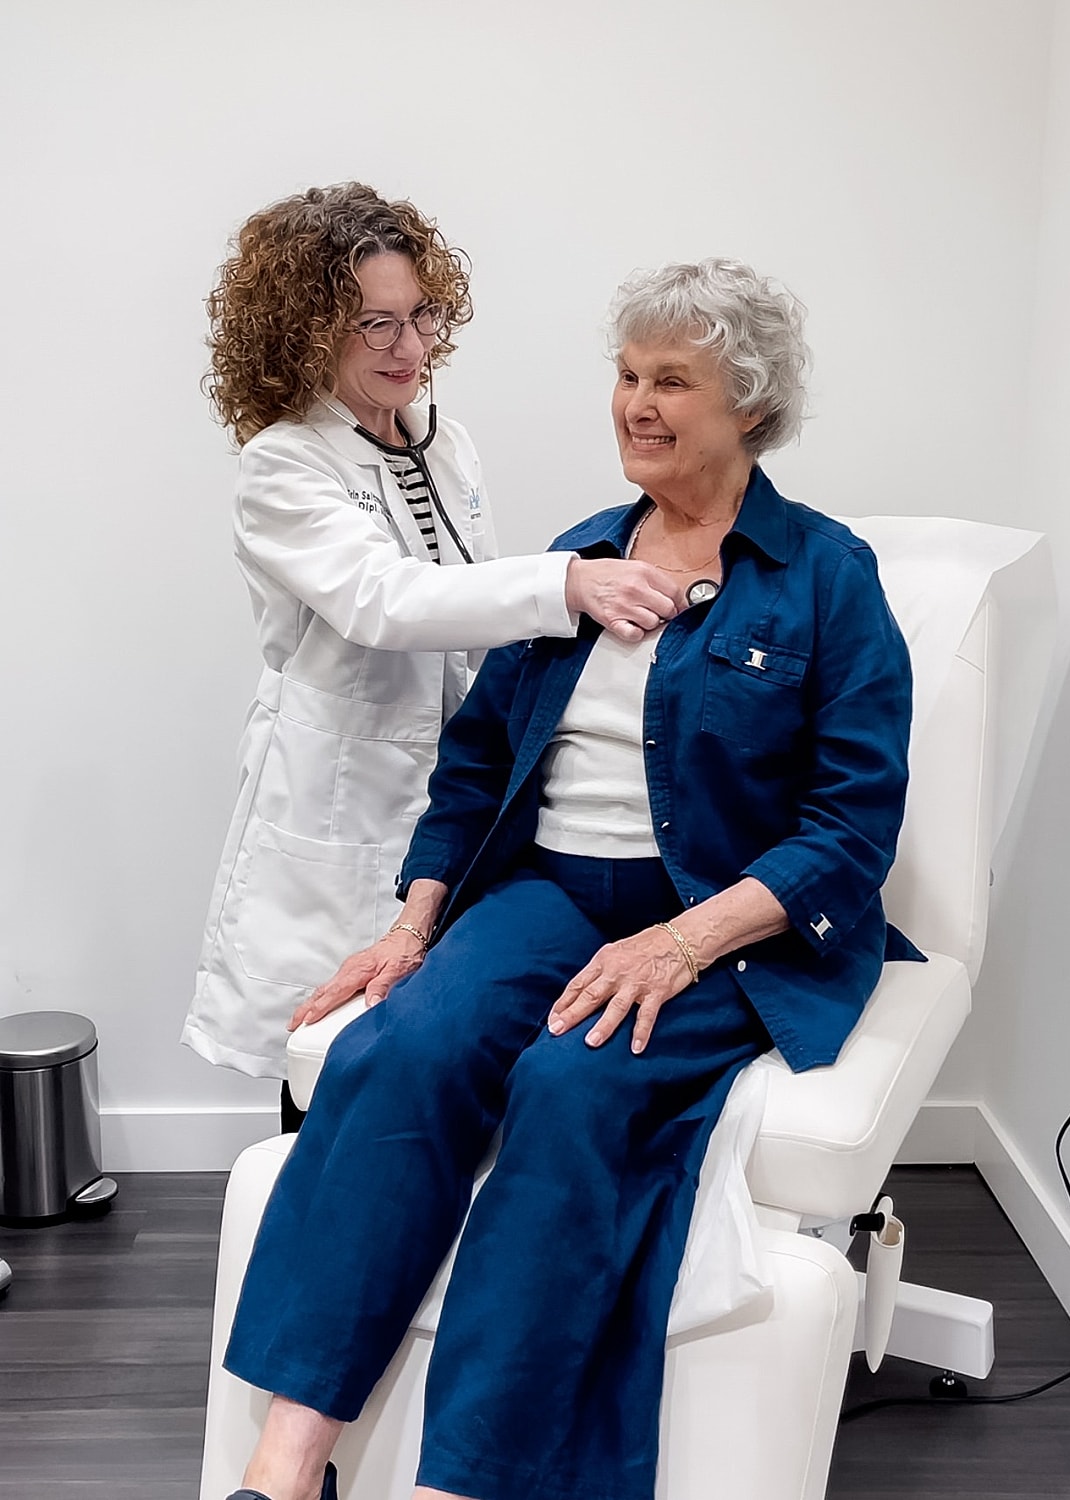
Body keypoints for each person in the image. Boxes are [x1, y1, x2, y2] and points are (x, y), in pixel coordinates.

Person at [221, 259, 922, 1500]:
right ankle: (285, 1467)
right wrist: (416, 924)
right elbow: (480, 755)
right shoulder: (581, 557)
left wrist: (683, 944)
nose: (635, 405)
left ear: (748, 407)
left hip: (721, 915)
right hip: (548, 893)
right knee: (402, 1052)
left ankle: (467, 1481)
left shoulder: (826, 575)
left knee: (570, 1084)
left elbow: (852, 825)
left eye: (673, 381)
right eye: (626, 374)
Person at [182, 184, 680, 1126]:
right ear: (304, 332)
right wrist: (567, 584)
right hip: (341, 794)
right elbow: (382, 600)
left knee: (432, 1052)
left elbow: (464, 603)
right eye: (374, 324)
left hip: (455, 791)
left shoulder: (441, 445)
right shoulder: (282, 465)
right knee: (330, 1048)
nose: (408, 349)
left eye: (419, 317)